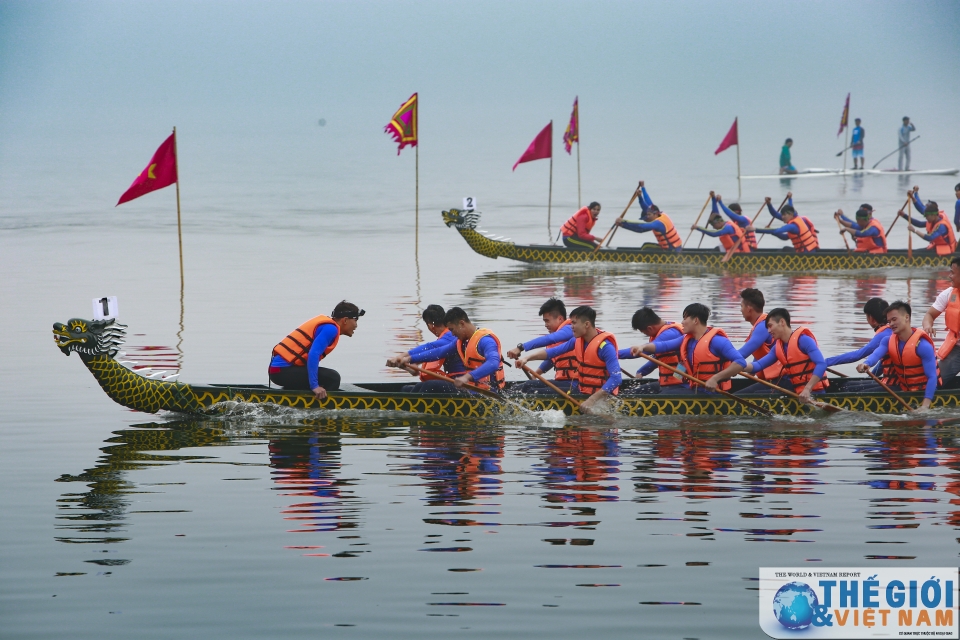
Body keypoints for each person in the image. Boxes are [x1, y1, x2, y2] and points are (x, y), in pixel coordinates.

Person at [516, 306, 621, 412]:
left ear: (587, 324)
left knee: (534, 393)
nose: (571, 327)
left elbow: (616, 379)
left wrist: (591, 400)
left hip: (600, 398)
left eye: (574, 323)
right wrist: (527, 358)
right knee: (529, 387)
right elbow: (553, 352)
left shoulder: (606, 347)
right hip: (581, 390)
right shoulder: (577, 341)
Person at [634, 303, 745, 393]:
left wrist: (715, 379)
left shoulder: (717, 341)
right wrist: (642, 347)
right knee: (649, 391)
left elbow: (740, 362)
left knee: (665, 394)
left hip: (711, 392)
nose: (682, 322)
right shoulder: (686, 339)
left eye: (685, 318)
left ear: (695, 320)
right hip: (693, 388)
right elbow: (663, 346)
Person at [269, 301, 363, 399]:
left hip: (278, 371)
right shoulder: (331, 329)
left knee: (326, 376)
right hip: (282, 372)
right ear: (345, 320)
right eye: (355, 320)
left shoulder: (328, 326)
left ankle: (299, 397)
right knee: (333, 378)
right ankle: (321, 406)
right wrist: (315, 386)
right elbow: (313, 354)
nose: (356, 325)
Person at [857, 301, 939, 410]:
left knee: (860, 395)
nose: (891, 324)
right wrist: (866, 364)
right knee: (857, 390)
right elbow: (876, 354)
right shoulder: (887, 340)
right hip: (903, 388)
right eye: (889, 321)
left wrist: (925, 406)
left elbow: (932, 377)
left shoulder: (922, 345)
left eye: (894, 320)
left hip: (924, 391)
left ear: (906, 317)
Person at [742, 308, 829, 402]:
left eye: (770, 326)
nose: (768, 331)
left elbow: (821, 364)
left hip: (814, 393)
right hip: (797, 392)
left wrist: (807, 389)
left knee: (757, 396)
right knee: (753, 394)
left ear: (782, 322)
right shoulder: (778, 347)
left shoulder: (804, 340)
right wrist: (739, 366)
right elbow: (758, 365)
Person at [387, 304, 466, 391]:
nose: (453, 333)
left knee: (429, 386)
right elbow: (415, 370)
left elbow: (431, 348)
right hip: (455, 383)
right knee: (406, 389)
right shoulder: (449, 337)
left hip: (465, 385)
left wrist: (403, 356)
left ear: (430, 326)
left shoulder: (451, 337)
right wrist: (403, 364)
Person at [506, 298, 575, 393]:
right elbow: (552, 359)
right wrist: (535, 374)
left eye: (547, 321)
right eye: (544, 321)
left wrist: (521, 347)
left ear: (560, 318)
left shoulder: (570, 329)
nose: (545, 325)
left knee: (529, 388)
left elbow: (550, 339)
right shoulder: (561, 337)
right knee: (516, 388)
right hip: (564, 382)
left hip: (574, 384)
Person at [824, 298, 892, 390]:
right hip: (891, 381)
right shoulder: (890, 331)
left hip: (894, 384)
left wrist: (826, 362)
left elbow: (857, 355)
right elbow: (884, 363)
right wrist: (870, 379)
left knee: (846, 387)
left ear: (871, 318)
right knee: (849, 384)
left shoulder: (883, 335)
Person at [618, 307, 683, 394]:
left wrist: (614, 354)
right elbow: (659, 359)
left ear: (649, 328)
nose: (646, 335)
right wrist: (641, 372)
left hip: (680, 384)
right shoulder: (663, 331)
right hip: (667, 383)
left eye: (644, 333)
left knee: (632, 396)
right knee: (628, 393)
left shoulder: (670, 334)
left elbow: (641, 352)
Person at [921, 256, 960, 384]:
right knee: (935, 381)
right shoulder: (948, 294)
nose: (949, 276)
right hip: (957, 349)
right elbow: (929, 315)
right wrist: (928, 326)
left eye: (952, 273)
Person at [614, 182, 682, 250]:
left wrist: (623, 223)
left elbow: (641, 228)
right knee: (646, 246)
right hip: (675, 247)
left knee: (645, 247)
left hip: (672, 250)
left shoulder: (658, 223)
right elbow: (647, 203)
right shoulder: (660, 214)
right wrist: (641, 193)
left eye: (649, 215)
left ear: (655, 214)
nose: (647, 216)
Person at [736, 288, 782, 382]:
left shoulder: (763, 326)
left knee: (738, 395)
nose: (741, 310)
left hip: (780, 380)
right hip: (770, 378)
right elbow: (760, 352)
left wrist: (718, 363)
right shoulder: (760, 325)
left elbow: (742, 354)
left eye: (741, 306)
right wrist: (752, 369)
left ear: (749, 309)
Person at [900, 191, 957, 255]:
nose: (926, 218)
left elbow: (929, 237)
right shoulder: (933, 220)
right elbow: (919, 223)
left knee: (916, 254)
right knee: (916, 252)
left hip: (947, 250)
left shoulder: (942, 226)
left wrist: (914, 230)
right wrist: (904, 215)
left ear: (933, 215)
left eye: (927, 216)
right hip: (937, 247)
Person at [748, 202, 818, 252]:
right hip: (805, 251)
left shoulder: (792, 226)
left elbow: (777, 231)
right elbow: (784, 237)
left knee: (781, 251)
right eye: (782, 215)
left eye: (784, 215)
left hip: (806, 253)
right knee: (785, 249)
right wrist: (769, 204)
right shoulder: (795, 221)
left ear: (790, 214)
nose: (782, 217)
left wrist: (755, 229)